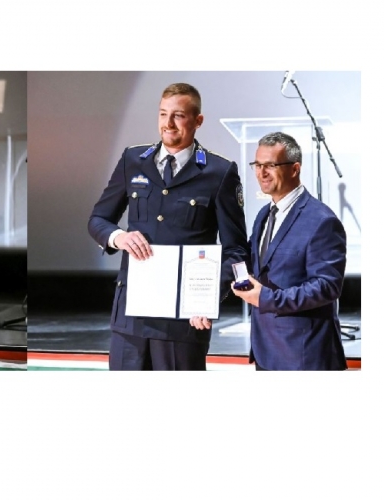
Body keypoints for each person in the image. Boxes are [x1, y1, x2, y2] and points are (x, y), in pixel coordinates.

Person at [88, 83, 249, 370]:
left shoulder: (219, 172)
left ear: (198, 121)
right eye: (163, 114)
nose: (168, 123)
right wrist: (118, 237)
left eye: (179, 115)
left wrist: (208, 299)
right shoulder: (132, 160)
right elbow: (98, 220)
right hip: (131, 316)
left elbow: (236, 250)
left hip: (184, 319)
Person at [232, 132, 347, 370]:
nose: (261, 173)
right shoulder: (264, 215)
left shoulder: (322, 220)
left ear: (295, 169)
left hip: (304, 356)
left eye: (270, 165)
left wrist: (266, 298)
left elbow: (327, 286)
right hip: (265, 352)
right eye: (257, 165)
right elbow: (253, 261)